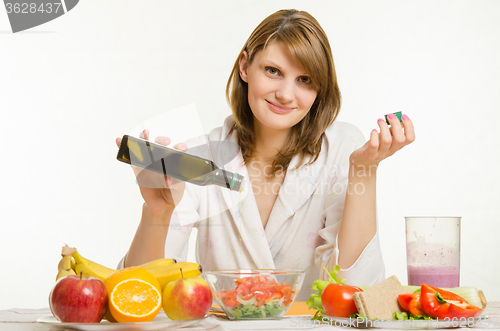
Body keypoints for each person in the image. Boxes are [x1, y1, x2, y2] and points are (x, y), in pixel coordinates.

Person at [115, 9, 415, 300]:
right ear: (245, 66)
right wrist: (157, 210)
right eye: (273, 71)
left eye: (305, 80)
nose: (286, 94)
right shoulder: (199, 159)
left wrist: (364, 169)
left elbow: (360, 295)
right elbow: (139, 295)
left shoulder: (341, 147)